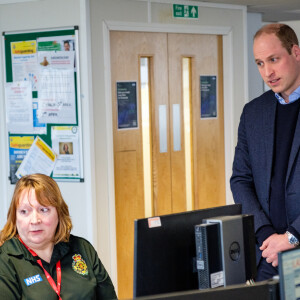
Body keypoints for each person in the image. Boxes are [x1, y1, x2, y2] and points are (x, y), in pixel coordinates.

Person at [230, 23, 300, 281]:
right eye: (260, 63)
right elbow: (240, 179)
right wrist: (266, 234)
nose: (267, 72)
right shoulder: (253, 113)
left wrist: (292, 237)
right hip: (268, 255)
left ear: (296, 52)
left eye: (274, 59)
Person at [0, 173, 117, 299]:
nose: (34, 220)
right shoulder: (5, 259)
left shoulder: (83, 248)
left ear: (59, 213)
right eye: (24, 211)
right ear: (15, 217)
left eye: (43, 210)